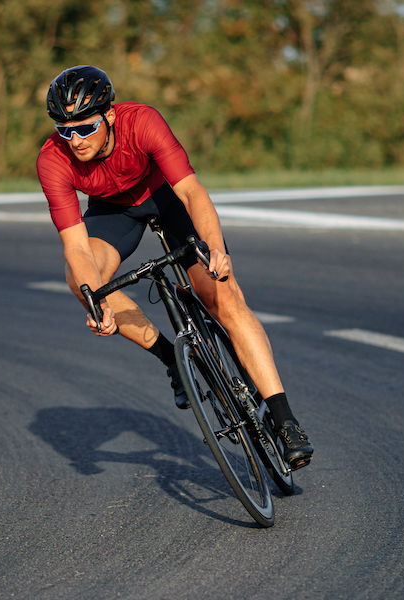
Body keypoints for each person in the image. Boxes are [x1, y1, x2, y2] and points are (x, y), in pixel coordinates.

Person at [36, 65, 314, 469]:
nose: (74, 140)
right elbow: (76, 246)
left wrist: (215, 249)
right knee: (80, 279)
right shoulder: (52, 159)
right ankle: (173, 360)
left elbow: (190, 190)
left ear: (109, 116)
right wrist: (96, 303)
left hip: (168, 200)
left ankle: (286, 420)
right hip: (114, 213)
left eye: (85, 127)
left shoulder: (142, 121)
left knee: (224, 298)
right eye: (65, 129)